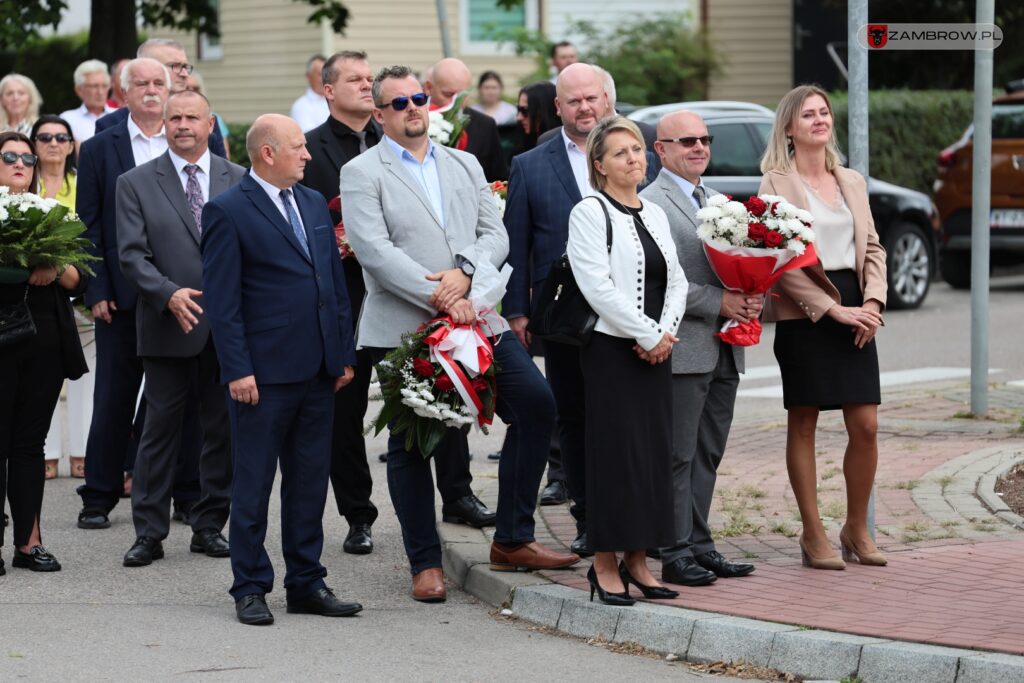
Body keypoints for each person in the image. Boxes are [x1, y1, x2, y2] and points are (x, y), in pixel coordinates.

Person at [341, 65, 579, 603]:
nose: (412, 109)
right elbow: (374, 254)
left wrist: (467, 279)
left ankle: (514, 537)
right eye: (398, 103)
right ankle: (424, 562)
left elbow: (495, 235)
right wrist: (441, 296)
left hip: (477, 316)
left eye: (418, 99)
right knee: (412, 445)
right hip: (406, 326)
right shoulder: (362, 173)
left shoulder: (465, 162)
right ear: (379, 114)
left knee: (538, 406)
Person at [201, 114, 363, 625]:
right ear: (267, 153)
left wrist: (341, 354)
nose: (308, 154)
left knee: (309, 482)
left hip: (318, 369)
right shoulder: (227, 210)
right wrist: (237, 369)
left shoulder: (313, 202)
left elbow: (333, 288)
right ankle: (249, 586)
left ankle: (306, 581)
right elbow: (222, 304)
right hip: (262, 376)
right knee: (252, 484)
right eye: (298, 147)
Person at [759, 84, 888, 570]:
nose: (819, 119)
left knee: (866, 424)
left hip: (857, 307)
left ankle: (856, 527)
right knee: (805, 420)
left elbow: (872, 247)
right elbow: (780, 261)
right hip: (807, 312)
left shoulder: (851, 180)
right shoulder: (775, 183)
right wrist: (832, 310)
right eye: (808, 114)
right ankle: (813, 534)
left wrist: (872, 301)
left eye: (824, 112)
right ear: (790, 128)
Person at [115, 89, 246, 567]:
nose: (183, 125)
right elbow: (131, 254)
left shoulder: (240, 178)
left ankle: (210, 525)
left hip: (227, 326)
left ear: (211, 125)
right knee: (158, 433)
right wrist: (167, 293)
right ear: (163, 124)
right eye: (175, 118)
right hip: (167, 323)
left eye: (193, 117)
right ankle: (148, 532)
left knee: (222, 431)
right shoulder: (134, 182)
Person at [567, 115, 686, 605]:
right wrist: (646, 332)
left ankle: (639, 561)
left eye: (637, 149)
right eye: (620, 152)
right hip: (613, 352)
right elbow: (596, 287)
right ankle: (603, 563)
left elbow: (676, 279)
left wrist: (665, 334)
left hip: (656, 352)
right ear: (599, 164)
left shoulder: (654, 212)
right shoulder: (589, 212)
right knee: (615, 459)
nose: (634, 158)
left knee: (652, 459)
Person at [641, 110, 758, 586]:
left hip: (725, 347)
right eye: (686, 141)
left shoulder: (715, 199)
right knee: (678, 454)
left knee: (708, 452)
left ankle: (700, 544)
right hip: (685, 346)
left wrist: (753, 293)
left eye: (705, 139)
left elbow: (737, 264)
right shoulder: (651, 203)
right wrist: (722, 301)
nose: (699, 148)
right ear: (661, 150)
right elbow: (656, 280)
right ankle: (673, 551)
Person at [502, 62, 611, 556]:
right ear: (559, 107)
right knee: (574, 414)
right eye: (574, 100)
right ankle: (588, 517)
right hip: (563, 311)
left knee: (627, 414)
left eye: (592, 98)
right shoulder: (531, 164)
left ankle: (633, 515)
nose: (584, 107)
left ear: (607, 100)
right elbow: (517, 242)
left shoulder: (637, 148)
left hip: (633, 306)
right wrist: (517, 312)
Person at [75, 57, 172, 529]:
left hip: (182, 294)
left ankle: (187, 494)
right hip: (120, 296)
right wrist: (96, 288)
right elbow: (88, 226)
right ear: (125, 92)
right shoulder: (99, 147)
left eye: (159, 84)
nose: (151, 91)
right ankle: (99, 495)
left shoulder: (193, 138)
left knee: (181, 399)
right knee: (113, 398)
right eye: (142, 84)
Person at [298, 50, 381, 555]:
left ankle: (455, 496)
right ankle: (359, 515)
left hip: (403, 293)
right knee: (344, 412)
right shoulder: (307, 149)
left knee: (430, 394)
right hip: (341, 299)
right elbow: (300, 223)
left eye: (370, 79)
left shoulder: (394, 139)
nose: (367, 86)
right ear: (328, 90)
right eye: (355, 79)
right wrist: (338, 238)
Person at [0, 131, 89, 574]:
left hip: (45, 339)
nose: (21, 163)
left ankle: (29, 542)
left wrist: (54, 265)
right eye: (10, 156)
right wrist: (18, 268)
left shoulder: (53, 213)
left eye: (28, 158)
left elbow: (80, 280)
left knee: (29, 444)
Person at [96, 39, 228, 159]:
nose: (184, 74)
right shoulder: (109, 126)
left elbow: (222, 177)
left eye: (185, 67)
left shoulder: (205, 122)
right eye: (175, 66)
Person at [424, 58, 508, 182]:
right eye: (448, 94)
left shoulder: (485, 126)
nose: (456, 103)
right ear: (428, 88)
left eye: (462, 96)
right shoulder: (416, 121)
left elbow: (499, 179)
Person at [59, 60, 116, 147]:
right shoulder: (67, 119)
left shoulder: (121, 116)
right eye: (94, 86)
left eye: (104, 86)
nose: (100, 92)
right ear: (79, 90)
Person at [32, 116, 77, 209]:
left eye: (61, 138)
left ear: (71, 147)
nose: (53, 144)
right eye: (45, 138)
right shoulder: (24, 181)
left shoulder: (83, 182)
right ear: (33, 145)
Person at [183, 72, 231, 160]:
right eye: (186, 88)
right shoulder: (171, 119)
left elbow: (224, 157)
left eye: (196, 88)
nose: (191, 92)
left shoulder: (214, 119)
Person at [513, 81, 558, 155]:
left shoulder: (565, 145)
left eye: (524, 110)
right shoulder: (521, 145)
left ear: (543, 110)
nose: (519, 117)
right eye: (518, 109)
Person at [290, 54, 329, 133]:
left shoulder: (336, 101)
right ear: (308, 77)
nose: (324, 79)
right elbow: (310, 137)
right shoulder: (301, 106)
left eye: (326, 74)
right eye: (319, 74)